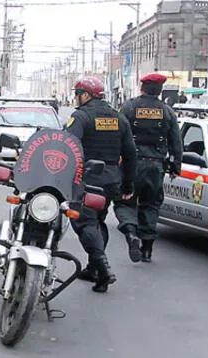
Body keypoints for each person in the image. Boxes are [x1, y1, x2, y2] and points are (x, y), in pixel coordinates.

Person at [65, 76, 137, 293]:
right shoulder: (119, 117)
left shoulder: (81, 116)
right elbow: (131, 153)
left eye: (78, 94)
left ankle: (102, 269)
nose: (76, 98)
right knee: (98, 221)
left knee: (85, 223)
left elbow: (68, 145)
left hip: (87, 180)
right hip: (112, 180)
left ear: (86, 95)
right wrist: (128, 183)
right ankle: (93, 268)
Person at [114, 73, 183, 263]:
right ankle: (147, 249)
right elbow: (176, 142)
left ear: (142, 88)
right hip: (156, 166)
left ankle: (130, 233)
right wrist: (176, 166)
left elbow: (117, 133)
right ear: (160, 90)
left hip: (131, 164)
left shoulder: (129, 107)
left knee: (124, 201)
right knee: (151, 204)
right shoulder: (167, 111)